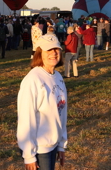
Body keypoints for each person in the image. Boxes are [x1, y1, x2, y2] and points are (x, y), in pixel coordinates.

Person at [17, 34, 67, 170]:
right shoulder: (33, 80)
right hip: (39, 148)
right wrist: (29, 155)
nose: (54, 53)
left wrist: (61, 144)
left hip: (53, 144)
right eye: (48, 50)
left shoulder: (58, 77)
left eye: (56, 49)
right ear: (40, 53)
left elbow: (61, 114)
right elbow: (26, 119)